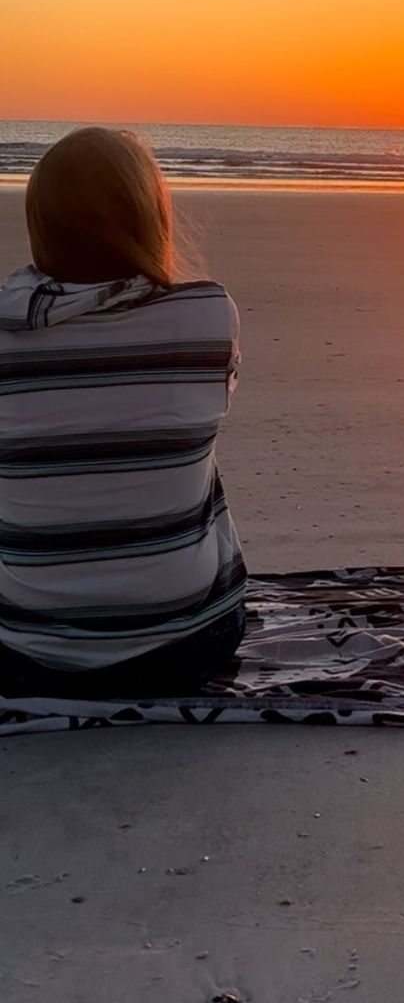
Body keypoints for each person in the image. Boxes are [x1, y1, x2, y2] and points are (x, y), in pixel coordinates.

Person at [0, 127, 246, 698]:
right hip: (186, 649)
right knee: (188, 457)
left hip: (25, 657)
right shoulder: (207, 316)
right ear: (147, 216)